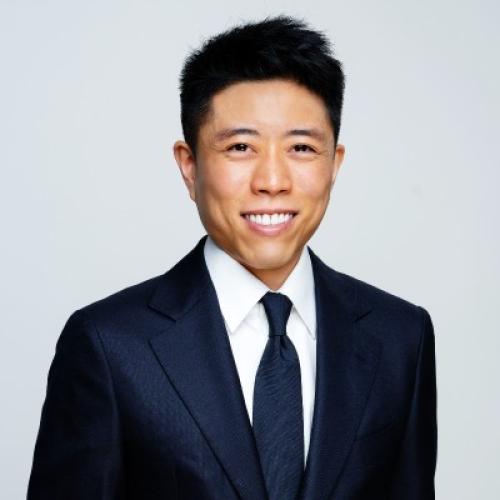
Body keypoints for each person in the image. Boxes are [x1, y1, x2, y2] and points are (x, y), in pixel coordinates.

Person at [27, 16, 437, 500]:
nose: (272, 181)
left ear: (334, 164)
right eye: (241, 147)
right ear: (190, 166)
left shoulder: (400, 338)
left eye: (301, 147)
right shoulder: (108, 346)